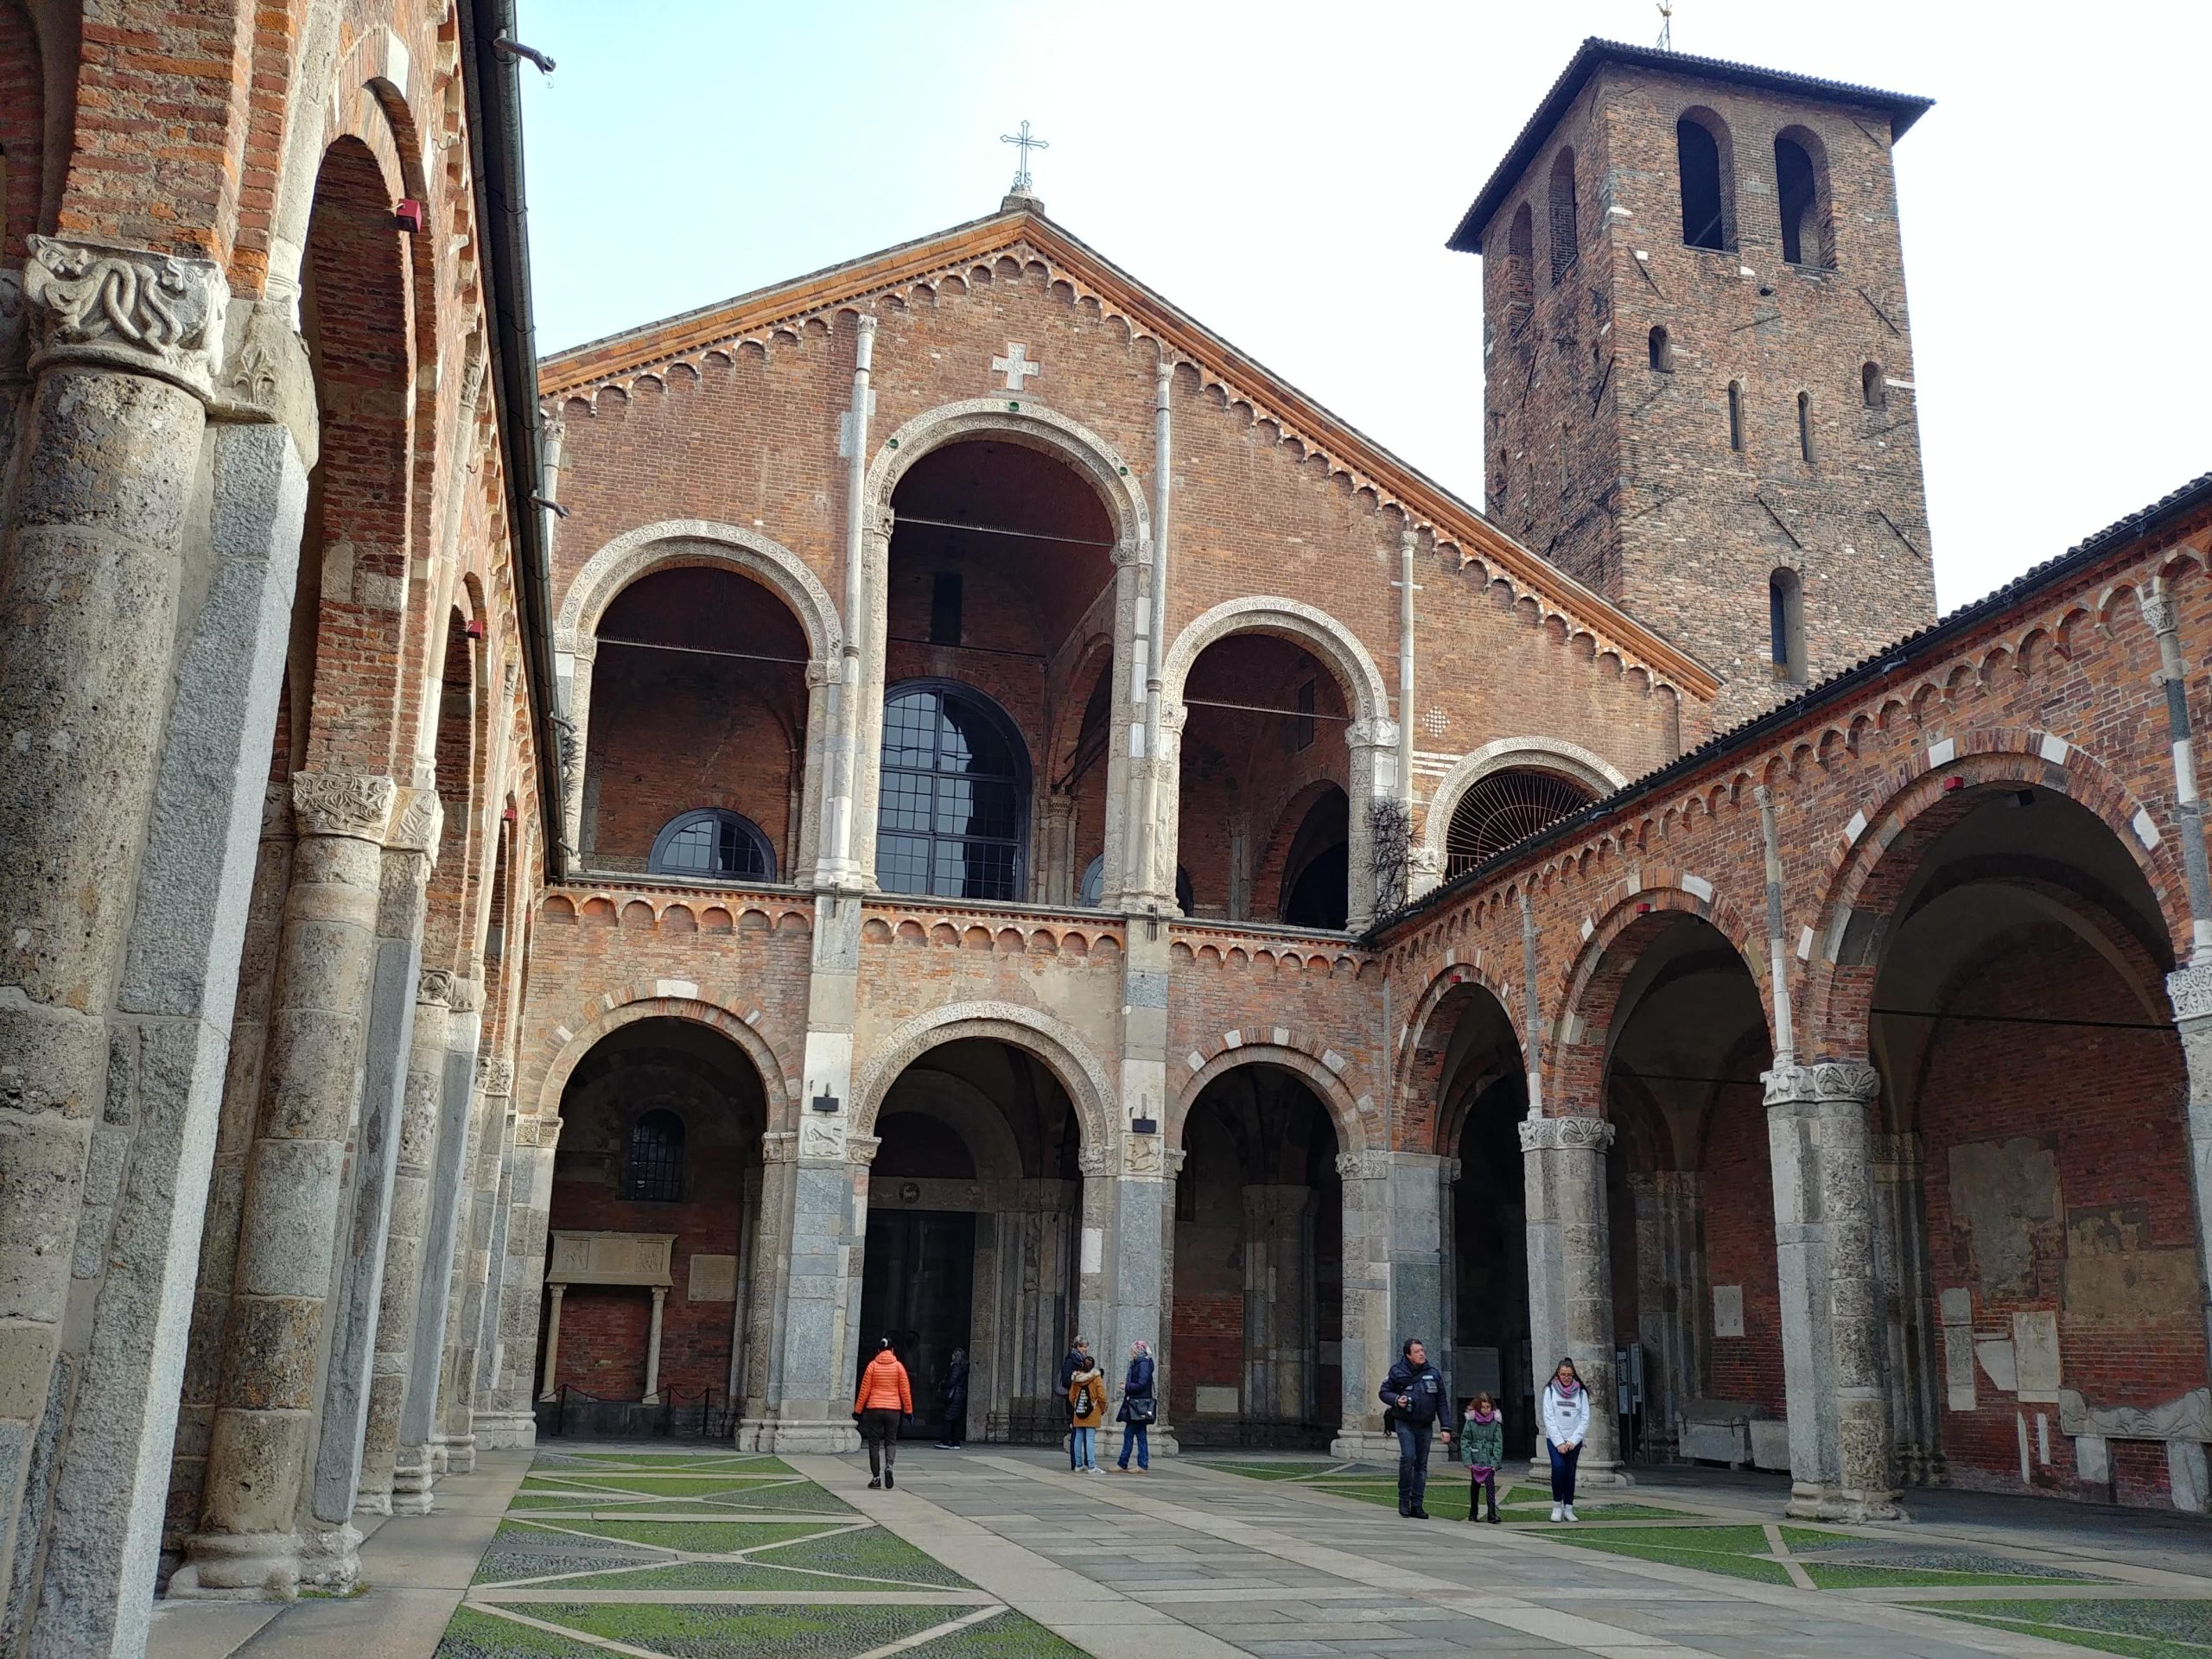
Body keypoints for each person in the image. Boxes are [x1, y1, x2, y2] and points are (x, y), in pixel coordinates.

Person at [1377, 1337, 1451, 1518]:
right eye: (1417, 1351)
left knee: (1421, 1465)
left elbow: (1441, 1401)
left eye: (1422, 1351)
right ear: (1408, 1354)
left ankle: (1417, 1504)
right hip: (1405, 1422)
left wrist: (1445, 1427)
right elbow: (1384, 1392)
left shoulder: (1433, 1373)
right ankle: (1404, 1499)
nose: (1422, 1354)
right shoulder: (1397, 1371)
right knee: (1408, 1457)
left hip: (1425, 1424)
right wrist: (1397, 1400)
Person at [853, 1337, 913, 1491]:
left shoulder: (872, 1366)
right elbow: (905, 1391)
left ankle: (876, 1477)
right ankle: (889, 1466)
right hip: (893, 1409)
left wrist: (857, 1411)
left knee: (874, 1443)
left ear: (878, 1351)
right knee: (891, 1440)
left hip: (874, 1408)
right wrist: (908, 1411)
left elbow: (864, 1390)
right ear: (892, 1351)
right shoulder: (899, 1367)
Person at [1541, 1356, 1591, 1522]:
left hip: (1573, 1440)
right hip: (1555, 1439)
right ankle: (1557, 1505)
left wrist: (1573, 1440)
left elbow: (1585, 1418)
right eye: (1563, 1374)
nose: (1566, 1378)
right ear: (1558, 1374)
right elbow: (1548, 1417)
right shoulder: (1550, 1390)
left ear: (1573, 1375)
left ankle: (1568, 1507)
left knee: (1570, 1472)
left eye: (1569, 1375)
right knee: (1558, 1468)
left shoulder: (1581, 1392)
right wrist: (1559, 1442)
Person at [1459, 1392, 1504, 1523]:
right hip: (1476, 1458)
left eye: (1488, 1407)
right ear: (1478, 1407)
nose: (1486, 1410)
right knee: (1475, 1485)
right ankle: (1473, 1511)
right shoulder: (1471, 1422)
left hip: (1489, 1459)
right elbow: (1465, 1440)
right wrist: (1467, 1460)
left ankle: (1491, 1512)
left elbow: (1498, 1442)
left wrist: (1495, 1462)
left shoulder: (1495, 1423)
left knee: (1490, 1485)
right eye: (1483, 1407)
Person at [1115, 1338, 1156, 1472]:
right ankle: (1138, 1463)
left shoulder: (1142, 1364)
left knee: (1130, 1434)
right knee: (1139, 1434)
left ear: (1137, 1351)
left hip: (1138, 1404)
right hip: (1137, 1404)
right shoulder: (1142, 1363)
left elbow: (1141, 1384)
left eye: (1132, 1350)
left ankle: (1126, 1463)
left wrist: (1126, 1386)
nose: (1130, 1352)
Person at [1067, 1351, 1107, 1474]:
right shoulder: (1096, 1378)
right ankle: (1091, 1466)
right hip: (1093, 1411)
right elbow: (1102, 1396)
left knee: (1078, 1437)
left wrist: (1076, 1405)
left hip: (1078, 1411)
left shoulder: (1076, 1378)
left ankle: (1078, 1465)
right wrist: (1101, 1408)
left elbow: (1071, 1396)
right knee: (1090, 1438)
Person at [1056, 1337, 1090, 1469]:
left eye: (1087, 1347)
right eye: (1083, 1347)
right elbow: (1065, 1379)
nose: (1086, 1349)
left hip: (1082, 1399)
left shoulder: (1084, 1361)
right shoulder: (1071, 1360)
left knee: (1085, 1431)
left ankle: (1086, 1462)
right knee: (1076, 1431)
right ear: (1077, 1347)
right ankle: (1076, 1462)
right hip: (1074, 1400)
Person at [935, 1348, 969, 1450]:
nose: (952, 1356)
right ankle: (955, 1442)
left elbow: (951, 1381)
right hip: (959, 1395)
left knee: (947, 1419)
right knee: (954, 1420)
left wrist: (943, 1384)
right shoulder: (963, 1367)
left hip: (954, 1396)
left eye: (953, 1354)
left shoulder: (956, 1367)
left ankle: (945, 1441)